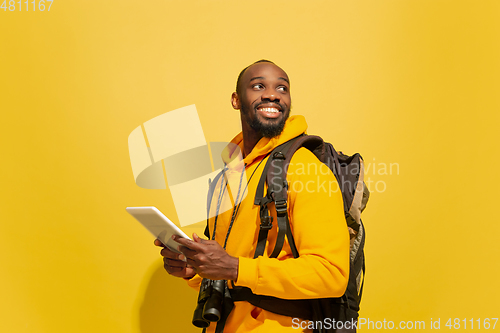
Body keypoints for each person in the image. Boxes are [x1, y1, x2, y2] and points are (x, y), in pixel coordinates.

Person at [155, 60, 350, 332]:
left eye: (282, 88)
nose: (272, 94)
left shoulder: (306, 170)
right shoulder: (227, 175)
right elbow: (227, 266)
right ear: (236, 100)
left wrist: (235, 268)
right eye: (259, 86)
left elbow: (332, 274)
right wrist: (195, 268)